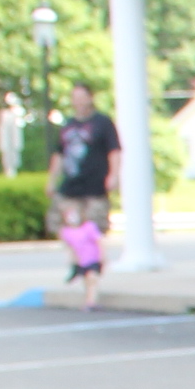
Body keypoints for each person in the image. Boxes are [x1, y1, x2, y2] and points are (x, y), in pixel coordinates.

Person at [52, 80, 123, 301]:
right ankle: (77, 263)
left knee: (93, 233)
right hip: (72, 187)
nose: (79, 102)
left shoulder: (102, 123)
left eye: (82, 97)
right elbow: (59, 154)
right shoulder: (68, 125)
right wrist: (52, 179)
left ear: (90, 98)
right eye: (75, 97)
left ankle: (92, 276)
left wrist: (114, 174)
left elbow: (114, 150)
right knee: (67, 229)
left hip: (95, 186)